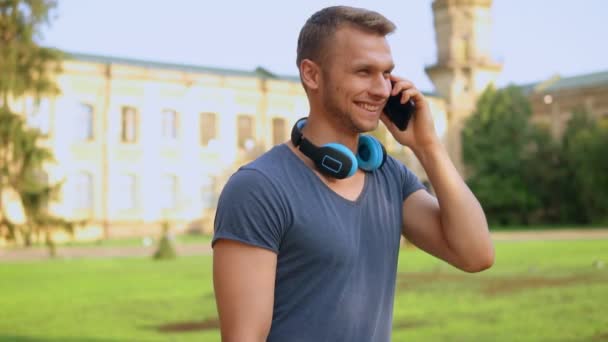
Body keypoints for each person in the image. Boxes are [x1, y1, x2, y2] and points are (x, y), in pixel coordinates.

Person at [212, 5, 494, 342]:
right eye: (363, 72)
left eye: (386, 73)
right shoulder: (258, 189)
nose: (381, 89)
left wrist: (428, 146)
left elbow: (476, 254)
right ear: (312, 75)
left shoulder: (391, 178)